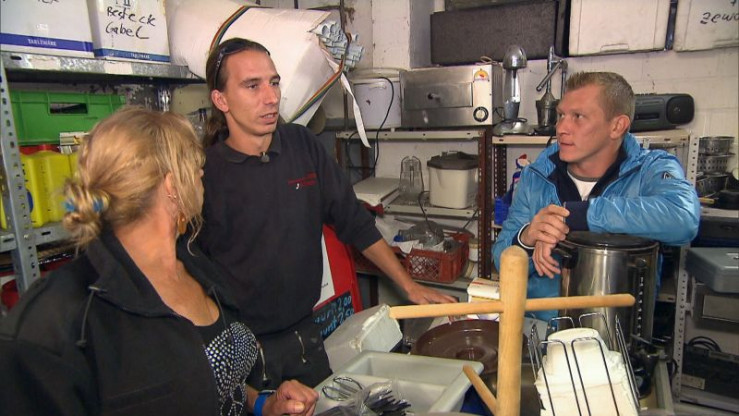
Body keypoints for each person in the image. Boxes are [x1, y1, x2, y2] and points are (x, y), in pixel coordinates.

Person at [0, 107, 318, 416]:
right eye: (197, 168)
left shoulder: (194, 264)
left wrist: (262, 404)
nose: (203, 177)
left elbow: (211, 375)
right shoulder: (58, 322)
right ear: (172, 186)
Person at [198, 38, 456, 389]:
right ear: (221, 100)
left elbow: (354, 221)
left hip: (306, 335)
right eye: (252, 86)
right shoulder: (205, 175)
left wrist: (409, 286)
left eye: (274, 82)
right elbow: (192, 277)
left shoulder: (302, 145)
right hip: (246, 349)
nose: (271, 97)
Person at [492, 71, 700, 321]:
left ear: (617, 126)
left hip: (614, 331)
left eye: (578, 117)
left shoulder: (650, 169)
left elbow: (683, 217)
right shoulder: (536, 176)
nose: (562, 128)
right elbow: (500, 260)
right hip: (542, 330)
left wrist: (578, 216)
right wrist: (526, 238)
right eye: (561, 115)